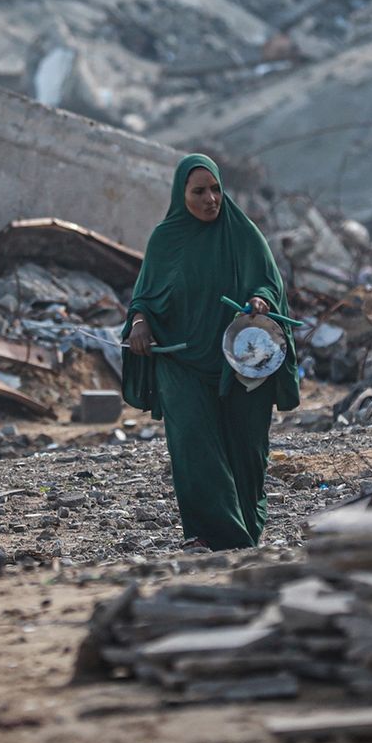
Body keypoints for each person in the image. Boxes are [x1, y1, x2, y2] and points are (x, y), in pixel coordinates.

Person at [120, 154, 299, 550]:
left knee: (247, 451)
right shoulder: (165, 240)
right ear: (180, 192)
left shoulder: (242, 234)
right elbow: (145, 298)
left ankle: (245, 531)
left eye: (216, 189)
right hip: (181, 362)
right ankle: (210, 534)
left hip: (242, 362)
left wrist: (260, 301)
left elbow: (268, 283)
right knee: (194, 448)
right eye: (199, 191)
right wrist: (139, 325)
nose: (210, 199)